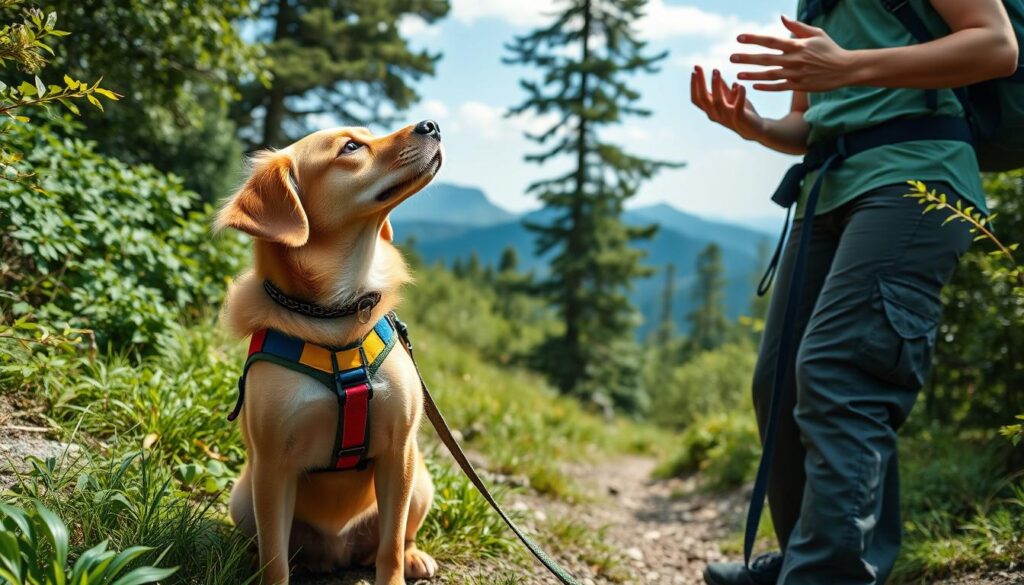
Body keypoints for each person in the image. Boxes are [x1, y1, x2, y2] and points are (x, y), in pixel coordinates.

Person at [690, 2, 1018, 584]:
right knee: (780, 379)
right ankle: (805, 558)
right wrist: (756, 126)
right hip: (829, 185)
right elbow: (809, 121)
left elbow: (996, 45)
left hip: (917, 177)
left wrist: (850, 66)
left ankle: (826, 575)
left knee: (840, 371)